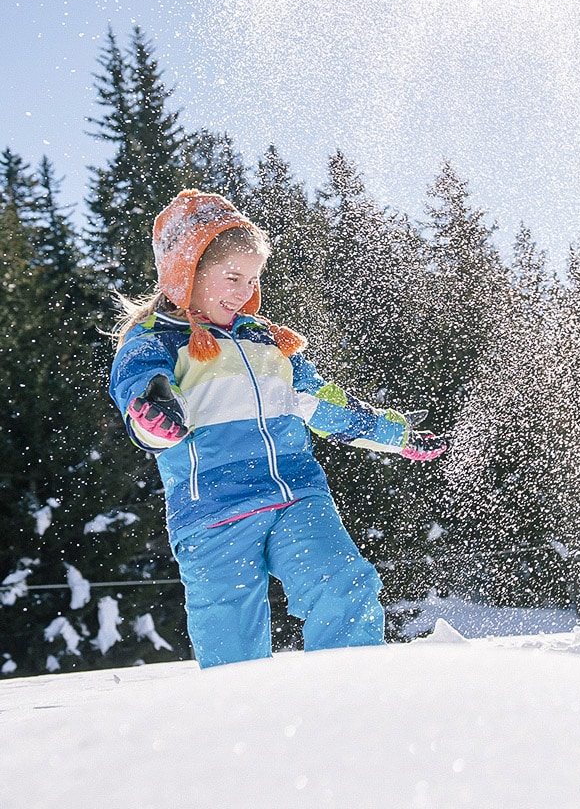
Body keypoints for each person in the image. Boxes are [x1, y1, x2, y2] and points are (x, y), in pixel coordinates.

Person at [108, 189, 448, 668]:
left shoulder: (269, 342)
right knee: (231, 641)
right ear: (187, 272)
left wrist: (396, 434)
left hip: (296, 495)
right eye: (232, 277)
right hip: (215, 513)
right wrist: (154, 405)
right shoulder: (156, 343)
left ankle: (355, 699)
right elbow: (140, 394)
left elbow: (325, 405)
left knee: (344, 583)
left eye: (253, 279)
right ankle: (246, 732)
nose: (245, 292)